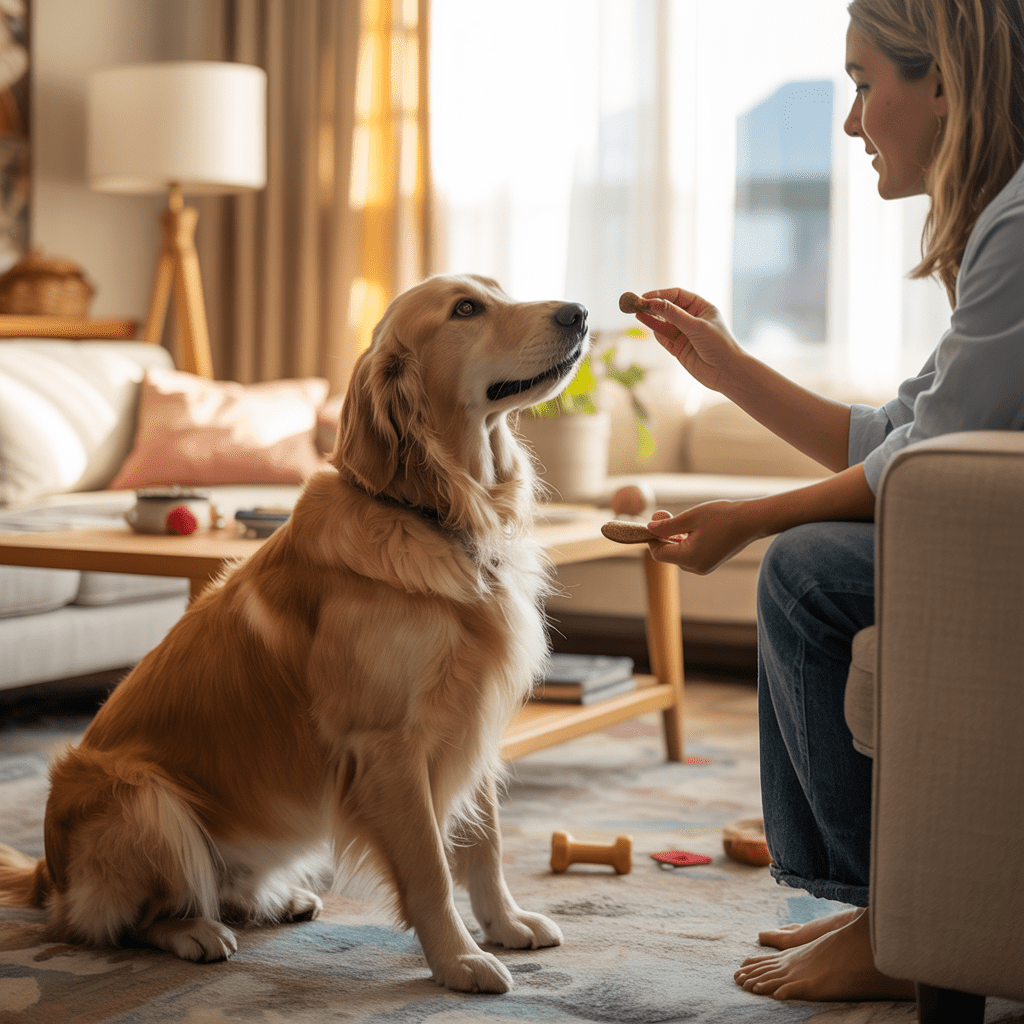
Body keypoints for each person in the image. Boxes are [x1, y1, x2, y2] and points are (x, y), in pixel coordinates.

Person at [624, 0, 1024, 1003]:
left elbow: (921, 461)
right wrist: (727, 369)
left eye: (859, 83)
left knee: (803, 572)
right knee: (807, 558)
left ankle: (898, 920)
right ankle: (889, 905)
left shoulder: (1018, 225)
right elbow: (900, 432)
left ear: (941, 81)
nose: (850, 122)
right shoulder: (1002, 224)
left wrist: (753, 519)